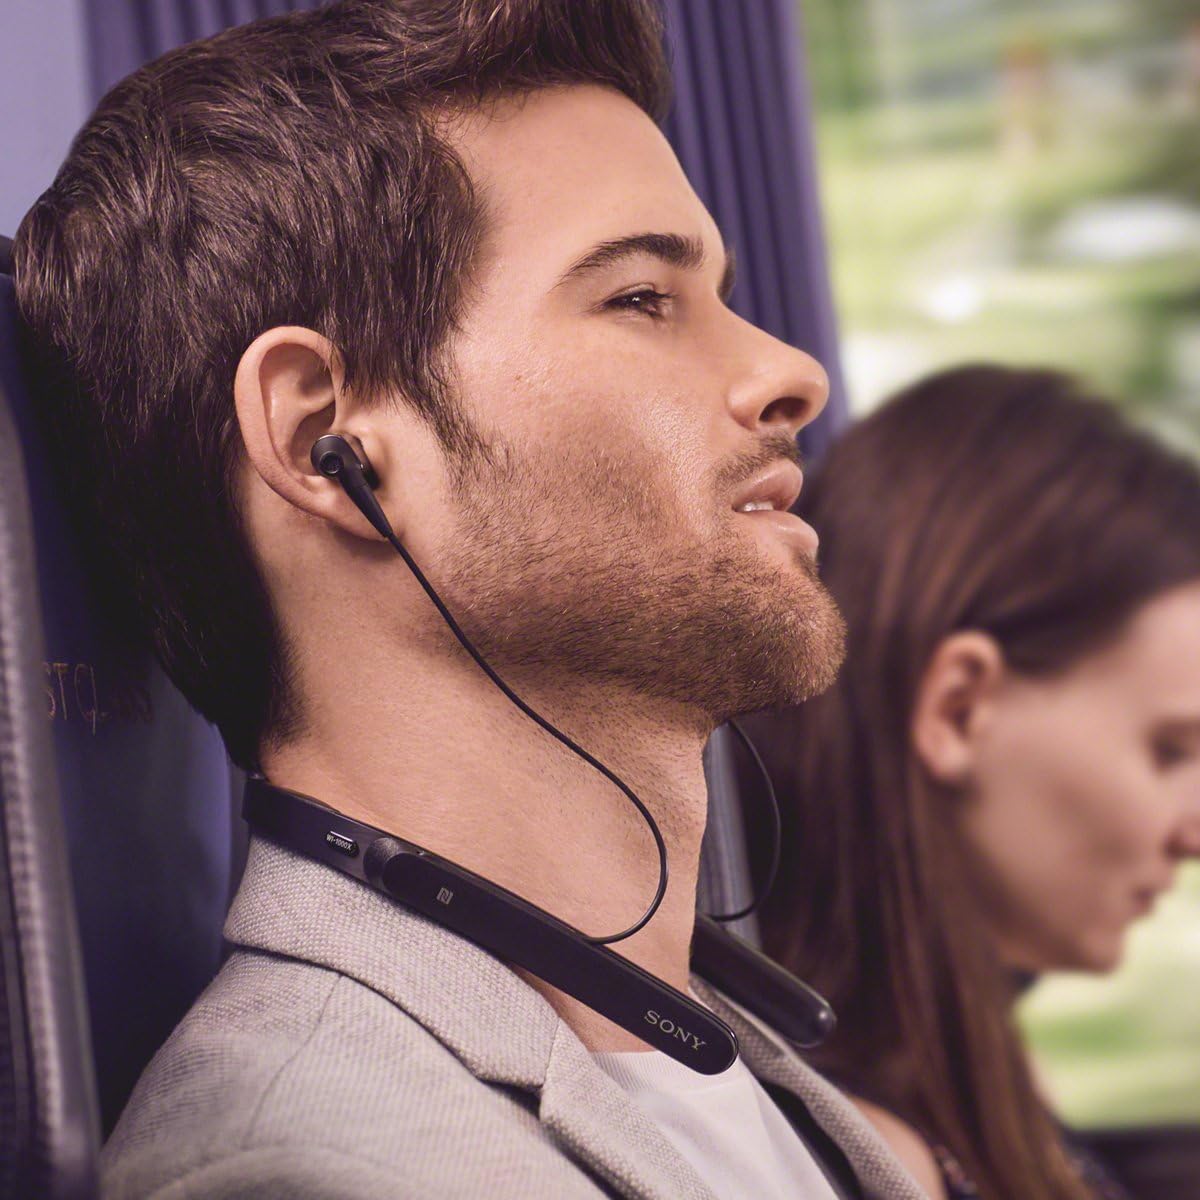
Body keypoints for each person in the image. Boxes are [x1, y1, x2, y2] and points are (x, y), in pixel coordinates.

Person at [13, 2, 926, 1197]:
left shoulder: (722, 1066)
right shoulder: (315, 1168)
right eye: (643, 297)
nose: (790, 371)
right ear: (326, 436)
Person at [743, 365, 1200, 1200]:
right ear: (959, 707)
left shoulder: (980, 1074)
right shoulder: (858, 1160)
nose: (1194, 832)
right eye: (1170, 751)